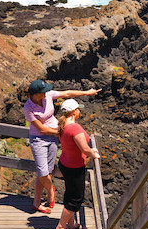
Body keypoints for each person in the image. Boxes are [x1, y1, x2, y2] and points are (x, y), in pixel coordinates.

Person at [23, 79, 100, 213]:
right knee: (42, 172)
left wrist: (87, 93)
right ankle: (50, 191)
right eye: (44, 91)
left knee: (48, 170)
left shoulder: (48, 95)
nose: (47, 92)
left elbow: (67, 93)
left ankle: (36, 203)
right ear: (37, 94)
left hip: (54, 137)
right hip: (39, 139)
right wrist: (62, 132)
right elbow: (41, 129)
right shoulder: (28, 107)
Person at [55, 98, 100, 229]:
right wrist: (94, 153)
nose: (79, 111)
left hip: (65, 163)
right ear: (74, 112)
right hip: (74, 167)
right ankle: (61, 227)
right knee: (75, 198)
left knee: (70, 193)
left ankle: (71, 223)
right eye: (78, 109)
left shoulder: (63, 125)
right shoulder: (74, 127)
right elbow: (85, 149)